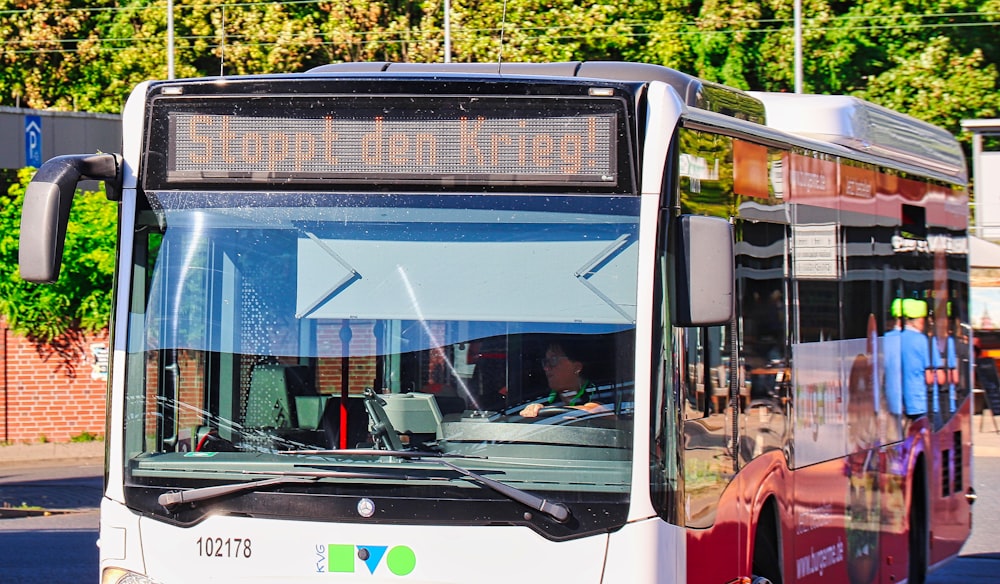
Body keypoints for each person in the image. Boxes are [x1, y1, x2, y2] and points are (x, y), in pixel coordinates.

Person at [519, 339, 604, 418]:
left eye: (553, 360)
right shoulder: (541, 395)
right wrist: (534, 409)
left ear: (577, 367)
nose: (546, 368)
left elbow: (600, 411)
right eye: (545, 362)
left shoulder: (599, 390)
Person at [899, 298, 933, 422]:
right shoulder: (921, 340)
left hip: (900, 399)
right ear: (920, 320)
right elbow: (929, 376)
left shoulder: (897, 338)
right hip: (918, 399)